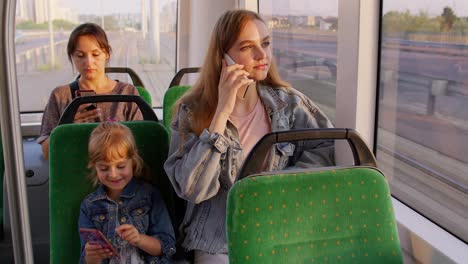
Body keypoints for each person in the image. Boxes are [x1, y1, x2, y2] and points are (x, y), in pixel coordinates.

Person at [164, 9, 334, 263]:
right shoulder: (191, 112)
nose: (261, 55)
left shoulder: (289, 105)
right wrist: (221, 113)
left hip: (279, 234)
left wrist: (283, 184)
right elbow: (192, 189)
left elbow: (325, 145)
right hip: (218, 242)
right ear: (223, 57)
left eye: (265, 44)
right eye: (247, 47)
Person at [38, 23, 143, 159]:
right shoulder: (60, 96)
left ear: (106, 54)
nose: (88, 62)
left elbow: (141, 146)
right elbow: (47, 153)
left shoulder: (128, 93)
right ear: (72, 57)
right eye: (80, 55)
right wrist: (66, 128)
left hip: (119, 176)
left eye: (95, 54)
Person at [78, 122, 175, 264]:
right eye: (104, 168)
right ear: (94, 167)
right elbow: (86, 259)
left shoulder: (150, 196)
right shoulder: (89, 206)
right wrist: (91, 257)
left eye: (120, 166)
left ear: (133, 161)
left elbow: (167, 246)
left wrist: (139, 239)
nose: (113, 174)